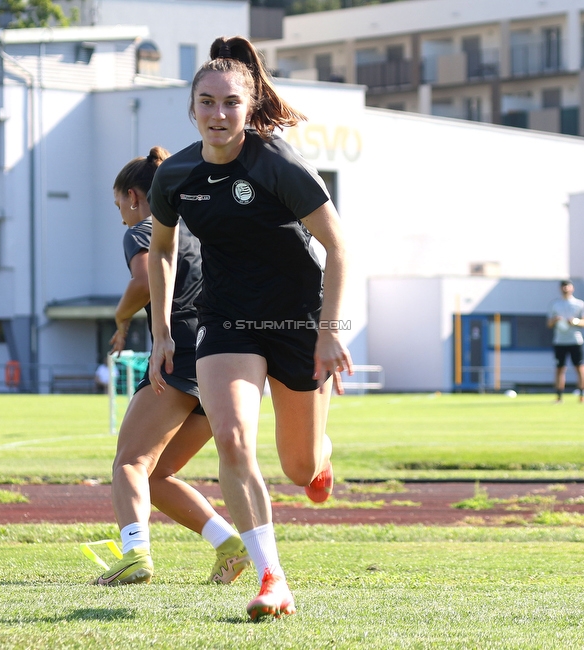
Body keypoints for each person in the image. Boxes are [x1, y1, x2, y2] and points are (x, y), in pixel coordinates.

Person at [146, 36, 352, 620]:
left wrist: (329, 332)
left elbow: (338, 248)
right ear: (192, 107)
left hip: (296, 321)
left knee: (299, 468)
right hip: (226, 321)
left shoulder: (276, 162)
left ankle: (322, 453)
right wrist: (162, 330)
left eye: (230, 103)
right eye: (206, 102)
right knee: (234, 441)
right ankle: (272, 579)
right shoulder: (177, 174)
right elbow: (162, 249)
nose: (218, 114)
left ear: (249, 103)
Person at [92, 147, 251, 588]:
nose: (121, 215)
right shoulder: (198, 230)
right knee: (158, 474)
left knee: (129, 462)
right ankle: (228, 544)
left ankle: (134, 554)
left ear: (134, 195)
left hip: (178, 351)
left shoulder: (147, 227)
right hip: (218, 358)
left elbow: (143, 281)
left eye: (119, 204)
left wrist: (122, 319)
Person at [548, 280, 584, 404]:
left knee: (580, 368)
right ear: (560, 288)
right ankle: (559, 397)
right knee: (560, 369)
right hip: (560, 341)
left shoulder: (579, 304)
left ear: (572, 288)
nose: (565, 289)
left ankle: (582, 396)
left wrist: (575, 321)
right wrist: (555, 320)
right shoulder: (555, 304)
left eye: (567, 286)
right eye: (563, 286)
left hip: (575, 341)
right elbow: (549, 324)